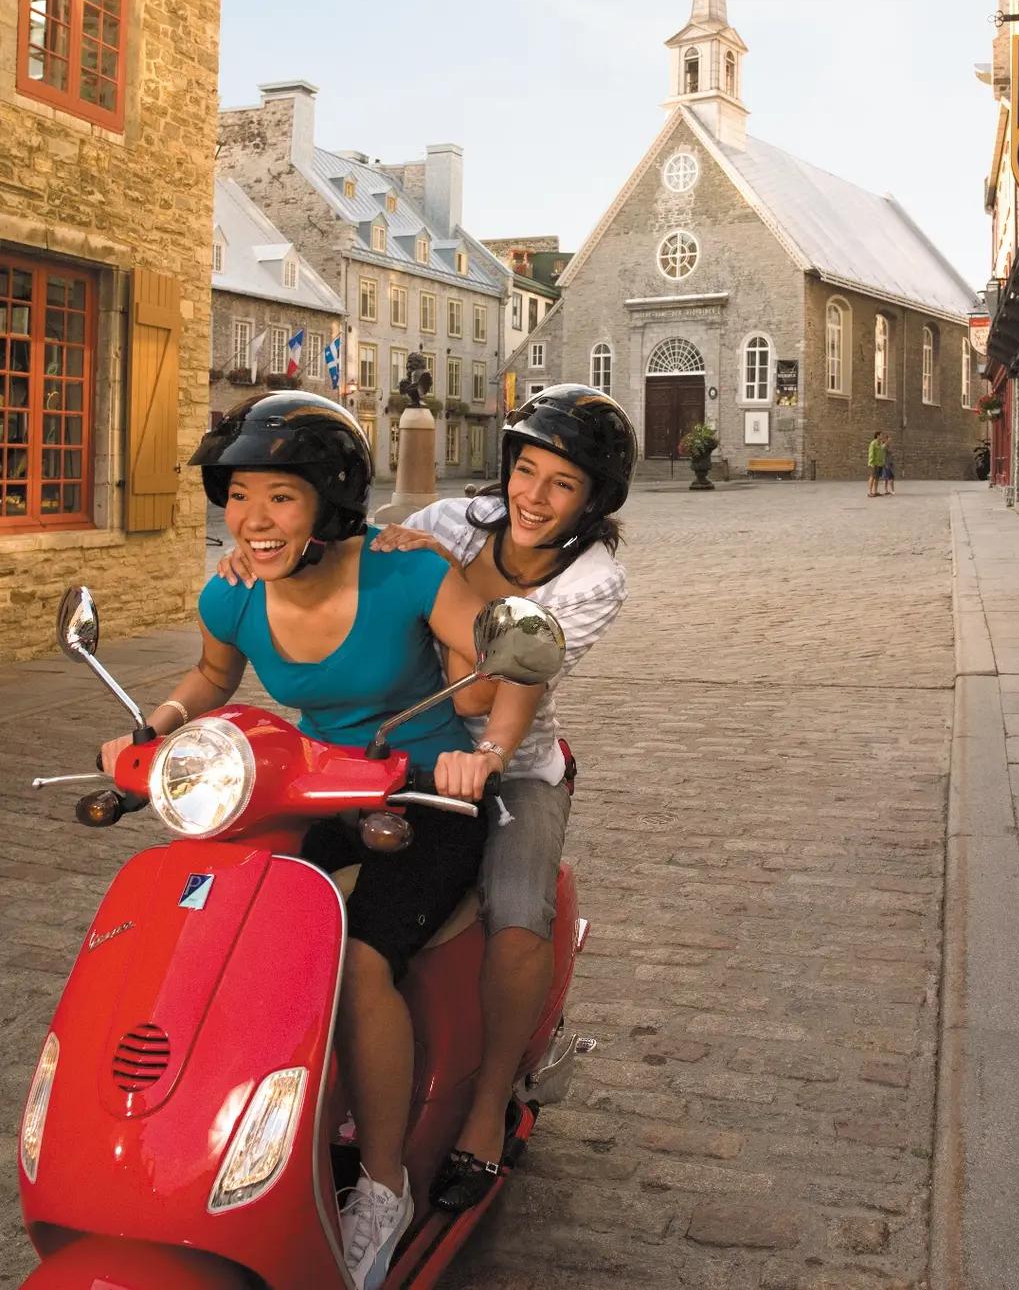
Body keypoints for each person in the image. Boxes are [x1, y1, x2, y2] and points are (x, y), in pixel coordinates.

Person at [101, 392, 543, 1290]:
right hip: (314, 790)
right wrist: (161, 723)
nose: (253, 520)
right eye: (239, 495)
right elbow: (214, 673)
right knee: (224, 934)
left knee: (361, 956)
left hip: (425, 798)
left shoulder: (406, 574)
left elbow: (514, 656)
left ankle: (381, 1182)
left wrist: (485, 754)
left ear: (329, 504)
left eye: (281, 497)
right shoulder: (232, 592)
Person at [218, 384, 636, 1214]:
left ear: (594, 501)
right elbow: (349, 553)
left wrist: (441, 607)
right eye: (526, 470)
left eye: (562, 483)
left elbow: (489, 693)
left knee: (518, 912)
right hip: (396, 757)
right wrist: (261, 549)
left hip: (507, 761)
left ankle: (483, 1115)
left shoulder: (593, 581)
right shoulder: (451, 521)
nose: (534, 495)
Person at [867, 430, 886, 497]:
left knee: (877, 478)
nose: (882, 436)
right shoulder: (873, 443)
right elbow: (871, 453)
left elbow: (882, 453)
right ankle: (869, 492)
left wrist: (883, 462)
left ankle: (875, 491)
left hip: (879, 464)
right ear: (877, 435)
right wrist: (871, 462)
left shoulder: (880, 443)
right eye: (881, 435)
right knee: (872, 477)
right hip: (874, 463)